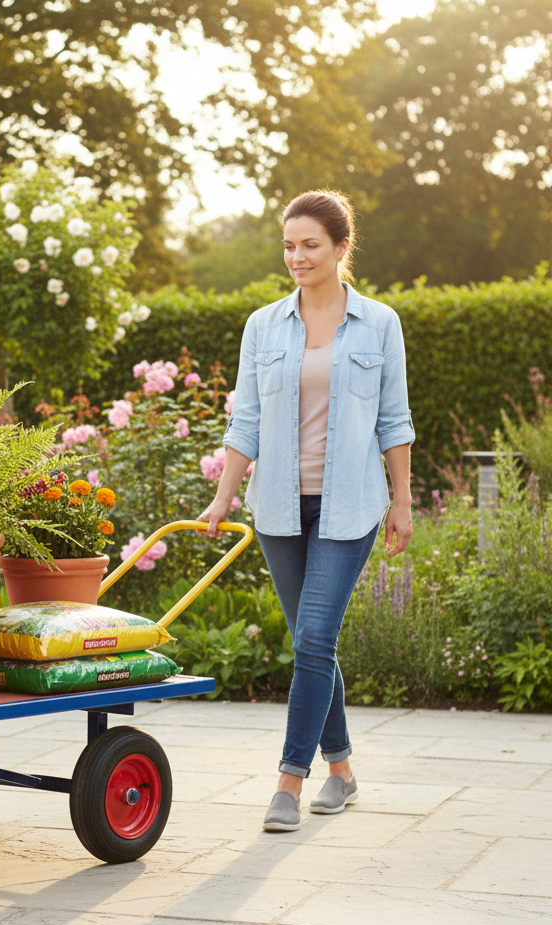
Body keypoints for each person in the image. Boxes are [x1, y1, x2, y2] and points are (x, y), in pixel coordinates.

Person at [197, 190, 414, 831]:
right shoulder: (263, 326)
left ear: (341, 248)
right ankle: (342, 771)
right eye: (288, 246)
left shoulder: (379, 324)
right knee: (312, 644)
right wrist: (222, 495)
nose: (297, 257)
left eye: (310, 245)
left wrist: (402, 502)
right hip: (279, 510)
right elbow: (247, 422)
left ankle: (288, 784)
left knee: (315, 638)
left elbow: (394, 420)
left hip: (351, 505)